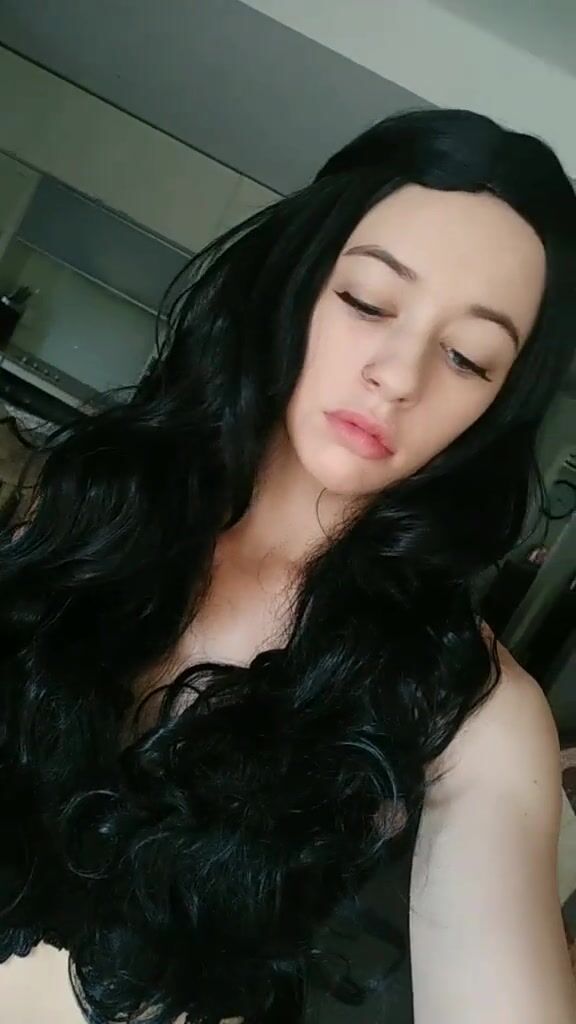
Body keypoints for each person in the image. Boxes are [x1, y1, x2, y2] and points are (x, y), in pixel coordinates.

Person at [0, 107, 575, 1024]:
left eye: (468, 357)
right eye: (368, 302)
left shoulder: (470, 712)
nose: (399, 374)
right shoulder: (83, 511)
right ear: (296, 282)